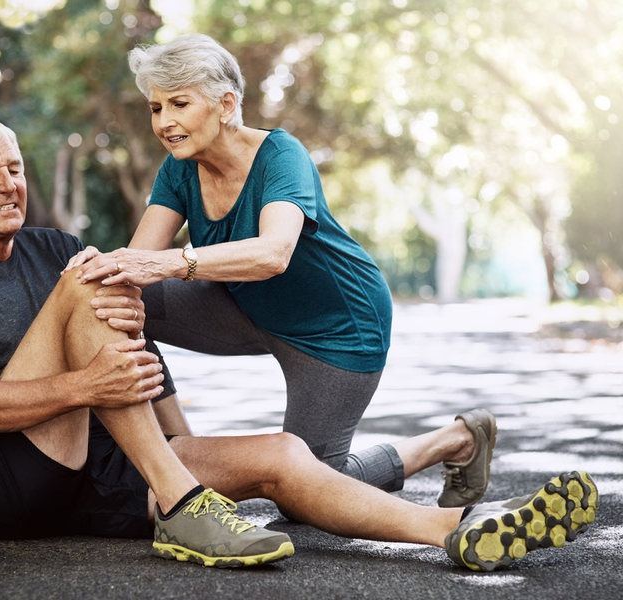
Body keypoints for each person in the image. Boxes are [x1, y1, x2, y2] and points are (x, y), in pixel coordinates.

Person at [0, 115, 598, 573]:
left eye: (15, 168)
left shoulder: (49, 245)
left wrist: (187, 453)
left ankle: (452, 529)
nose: (10, 184)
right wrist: (89, 390)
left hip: (93, 470)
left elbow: (135, 349)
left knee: (283, 457)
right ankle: (181, 506)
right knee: (93, 276)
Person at [67, 34, 492, 508]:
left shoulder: (281, 156)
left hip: (337, 329)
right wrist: (107, 266)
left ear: (226, 104)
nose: (165, 122)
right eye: (155, 108)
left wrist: (164, 263)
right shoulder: (179, 169)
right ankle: (179, 458)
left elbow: (273, 254)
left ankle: (455, 439)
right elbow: (136, 267)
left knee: (307, 494)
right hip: (246, 308)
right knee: (114, 302)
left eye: (179, 104)